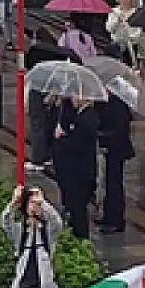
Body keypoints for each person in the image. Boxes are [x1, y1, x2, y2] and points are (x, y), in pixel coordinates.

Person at [52, 98, 100, 239]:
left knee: (78, 210)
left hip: (81, 173)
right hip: (80, 171)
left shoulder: (87, 119)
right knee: (75, 208)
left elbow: (78, 144)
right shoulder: (82, 116)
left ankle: (81, 239)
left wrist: (61, 137)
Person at [98, 94, 135, 234]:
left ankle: (116, 220)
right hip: (110, 149)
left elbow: (120, 130)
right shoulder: (107, 102)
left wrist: (102, 135)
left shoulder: (118, 105)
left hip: (117, 149)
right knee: (109, 183)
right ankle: (108, 216)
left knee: (115, 184)